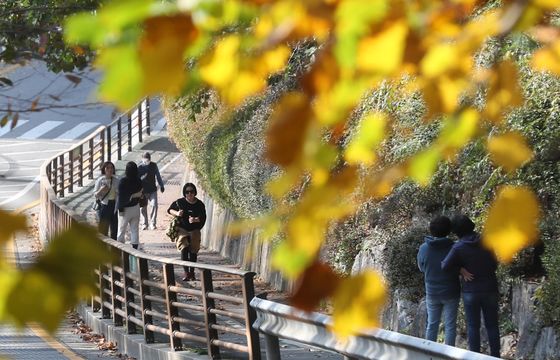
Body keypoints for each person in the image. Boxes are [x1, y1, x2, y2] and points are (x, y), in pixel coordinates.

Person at [442, 215, 500, 358]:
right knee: (492, 325)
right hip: (490, 288)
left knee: (473, 326)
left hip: (471, 291)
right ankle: (496, 356)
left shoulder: (458, 247)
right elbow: (494, 264)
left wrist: (460, 270)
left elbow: (444, 266)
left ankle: (474, 356)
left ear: (457, 231)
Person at [417, 215, 460, 346]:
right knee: (450, 326)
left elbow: (421, 267)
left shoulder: (424, 248)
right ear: (449, 230)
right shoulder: (455, 247)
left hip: (432, 291)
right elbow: (459, 267)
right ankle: (449, 355)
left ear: (431, 230)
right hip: (451, 291)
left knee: (432, 324)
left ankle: (429, 353)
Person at [167, 183, 206, 281]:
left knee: (193, 251)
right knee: (184, 248)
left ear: (195, 192)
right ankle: (186, 272)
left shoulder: (200, 204)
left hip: (195, 230)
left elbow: (203, 218)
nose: (189, 194)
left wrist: (196, 219)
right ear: (184, 193)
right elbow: (170, 210)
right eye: (187, 192)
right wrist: (177, 213)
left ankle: (192, 272)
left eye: (191, 192)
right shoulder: (179, 202)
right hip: (182, 229)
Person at [116, 161, 144, 249]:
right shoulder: (138, 180)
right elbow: (141, 192)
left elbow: (121, 196)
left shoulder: (123, 181)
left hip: (125, 209)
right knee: (134, 229)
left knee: (121, 230)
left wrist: (120, 209)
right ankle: (135, 248)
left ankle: (120, 249)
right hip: (136, 207)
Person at [138, 152, 164, 230]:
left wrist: (161, 185)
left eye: (148, 160)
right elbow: (136, 179)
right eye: (145, 160)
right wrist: (143, 177)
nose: (146, 161)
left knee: (154, 205)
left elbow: (158, 176)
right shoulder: (139, 167)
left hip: (152, 190)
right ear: (142, 159)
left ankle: (153, 223)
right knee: (143, 207)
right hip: (143, 191)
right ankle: (144, 223)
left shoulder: (154, 165)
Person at [94, 161, 118, 240]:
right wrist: (101, 190)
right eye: (107, 168)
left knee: (114, 230)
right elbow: (95, 194)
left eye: (111, 168)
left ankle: (113, 250)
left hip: (114, 205)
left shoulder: (116, 180)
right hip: (104, 206)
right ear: (104, 169)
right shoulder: (100, 180)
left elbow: (119, 193)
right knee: (103, 230)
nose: (110, 170)